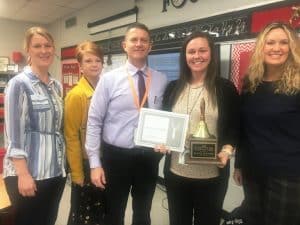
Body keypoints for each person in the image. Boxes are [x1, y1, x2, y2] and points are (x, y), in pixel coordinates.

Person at [85, 22, 168, 225]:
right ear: (125, 45)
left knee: (143, 212)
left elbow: (165, 117)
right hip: (116, 157)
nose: (139, 44)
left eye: (144, 40)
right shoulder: (109, 80)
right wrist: (95, 164)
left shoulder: (161, 79)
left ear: (150, 46)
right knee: (113, 212)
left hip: (148, 158)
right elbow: (94, 121)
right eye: (134, 40)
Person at [158, 31, 239, 225]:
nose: (197, 56)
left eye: (202, 50)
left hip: (212, 175)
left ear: (211, 54)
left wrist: (227, 150)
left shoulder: (225, 88)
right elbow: (166, 125)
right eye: (191, 51)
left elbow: (235, 126)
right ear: (184, 56)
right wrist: (162, 140)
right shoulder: (173, 88)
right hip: (177, 172)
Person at [233, 22, 300, 225]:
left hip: (288, 175)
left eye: (283, 43)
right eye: (270, 43)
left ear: (292, 47)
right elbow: (244, 129)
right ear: (262, 47)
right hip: (253, 171)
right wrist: (239, 165)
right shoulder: (250, 83)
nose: (276, 48)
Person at [2, 26, 66, 225]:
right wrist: (23, 174)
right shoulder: (18, 84)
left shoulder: (56, 86)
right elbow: (14, 135)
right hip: (30, 174)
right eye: (37, 46)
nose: (44, 50)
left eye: (48, 45)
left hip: (55, 171)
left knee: (48, 221)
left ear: (54, 49)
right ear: (28, 50)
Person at [64, 40, 105, 225]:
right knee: (83, 213)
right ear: (80, 67)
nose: (94, 64)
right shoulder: (76, 95)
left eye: (98, 60)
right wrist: (77, 174)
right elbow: (71, 136)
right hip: (85, 163)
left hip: (102, 160)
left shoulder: (103, 89)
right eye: (89, 61)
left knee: (100, 210)